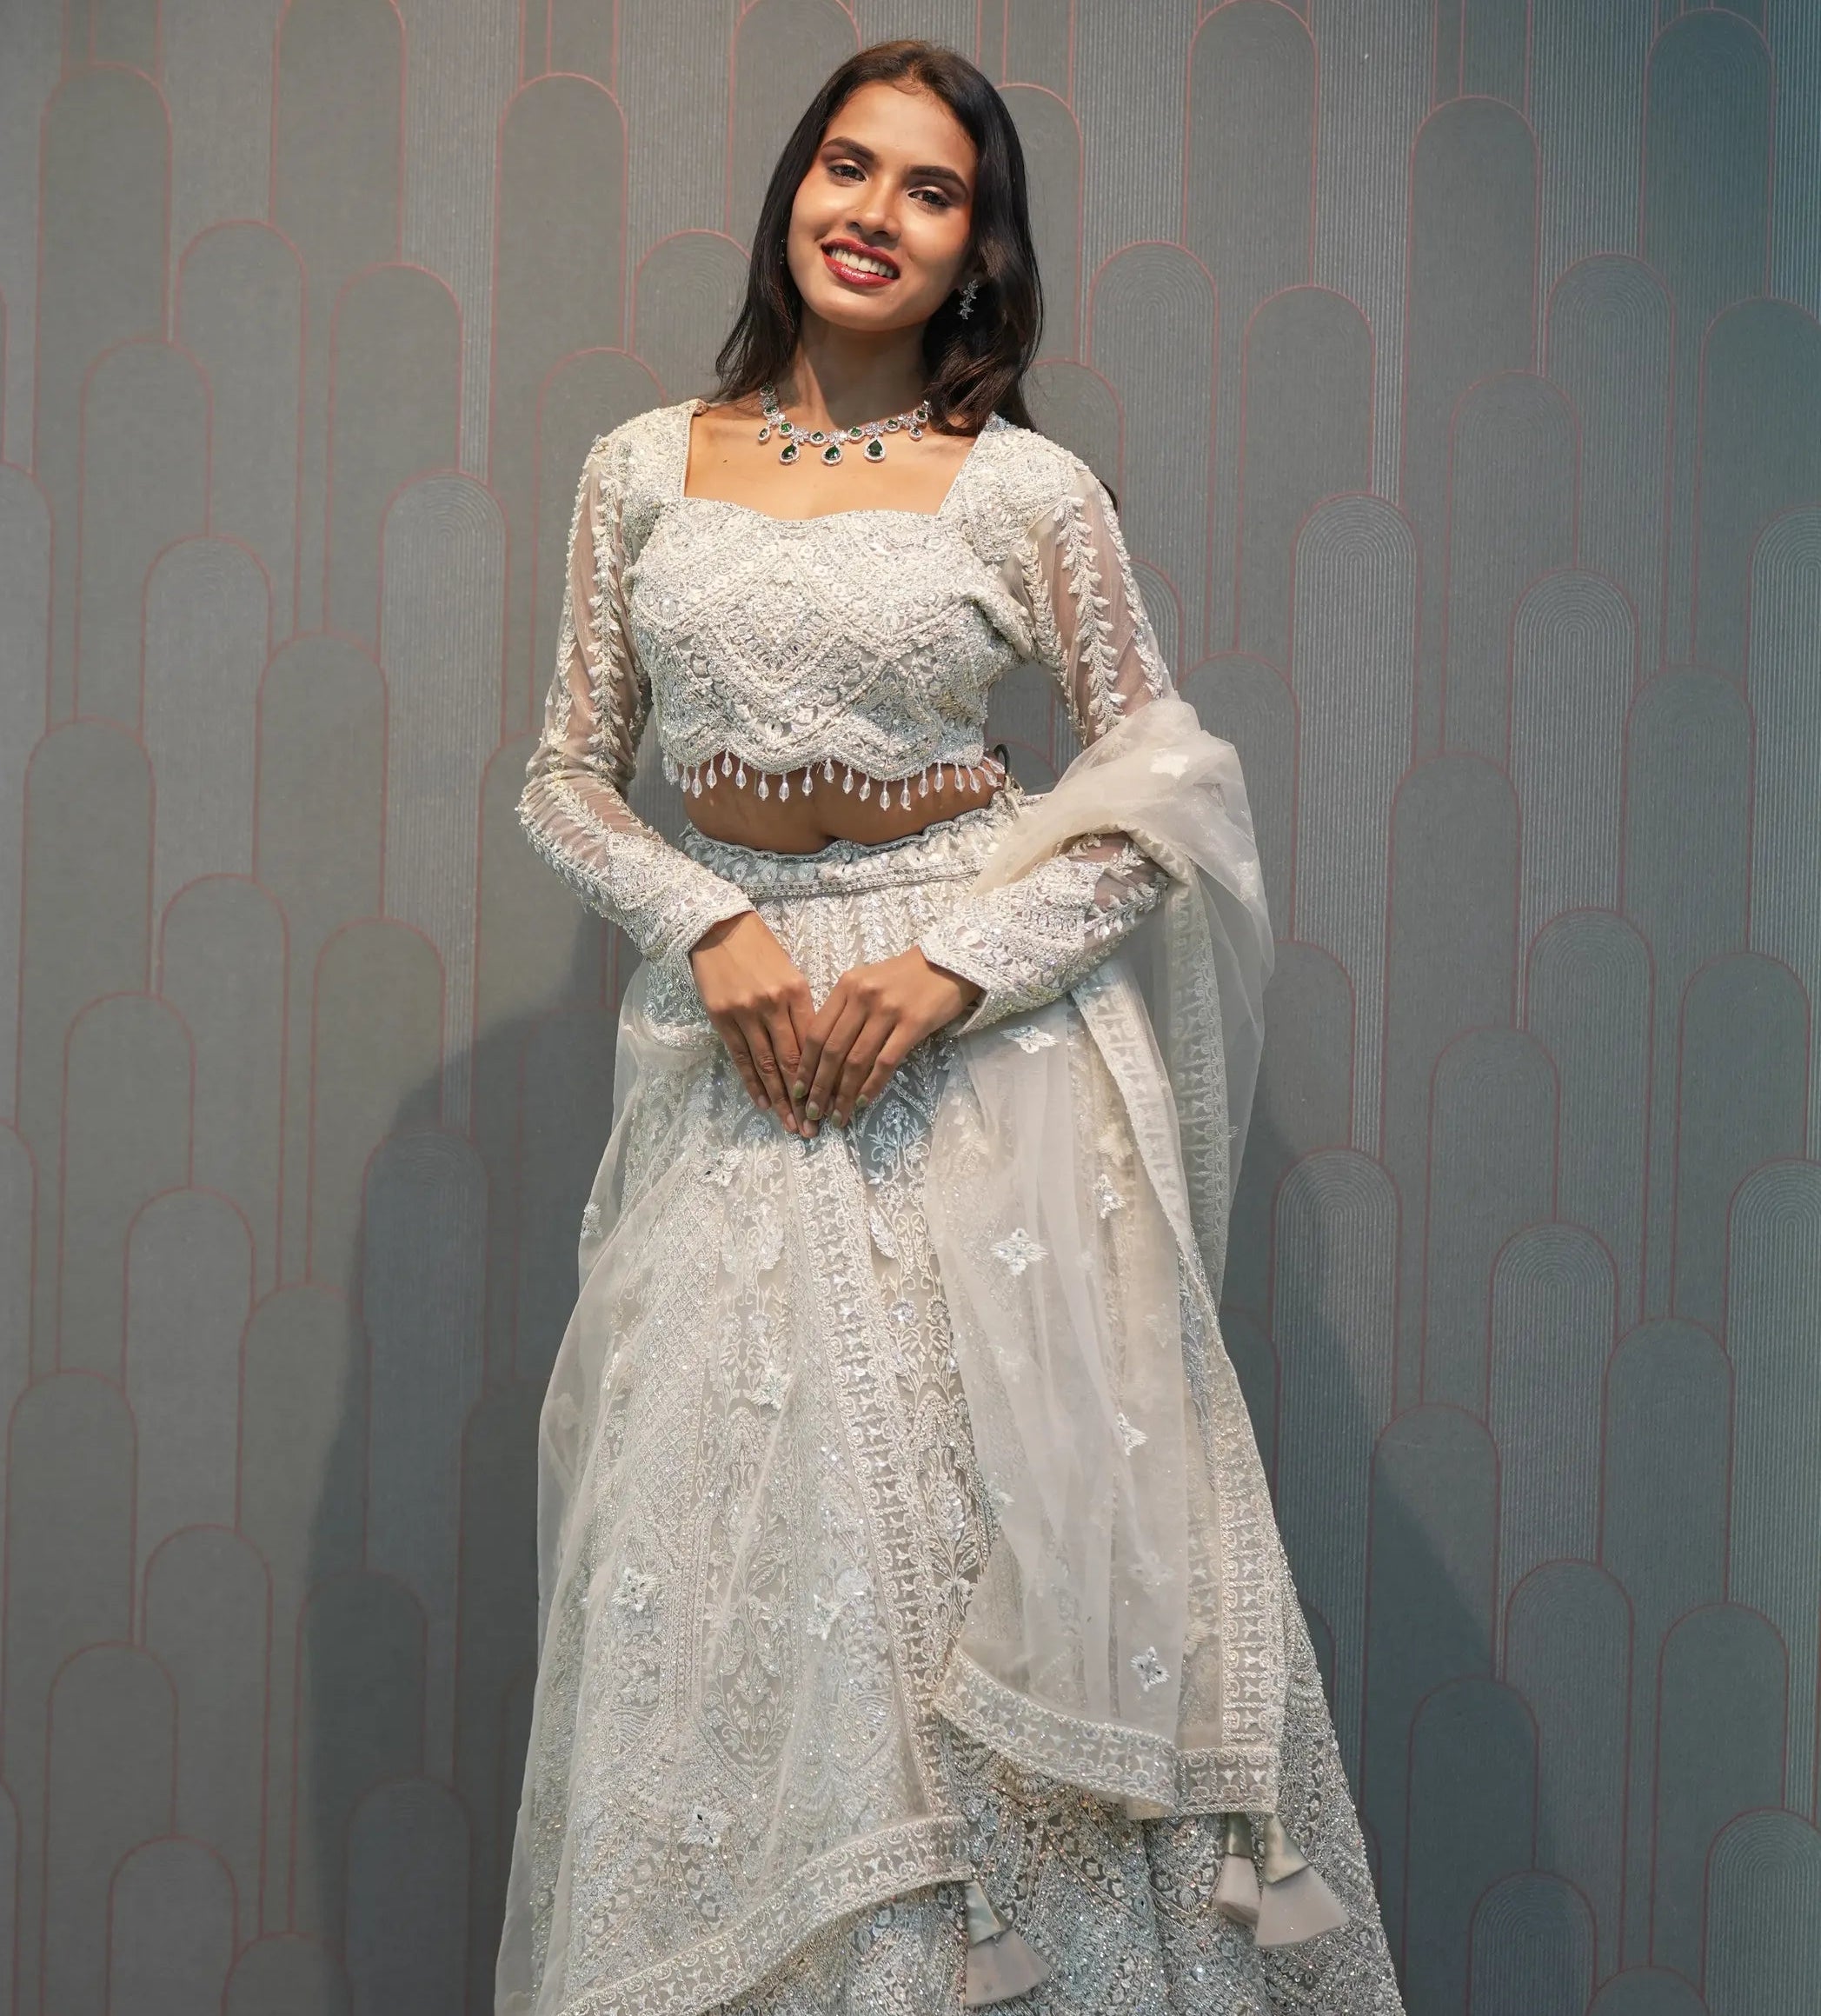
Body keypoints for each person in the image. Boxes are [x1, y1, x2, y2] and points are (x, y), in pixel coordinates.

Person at [497, 37, 1406, 2016]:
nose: (875, 213)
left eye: (931, 189)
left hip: (984, 1081)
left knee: (996, 1563)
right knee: (741, 1566)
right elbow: (565, 774)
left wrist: (954, 969)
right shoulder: (641, 469)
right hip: (742, 1062)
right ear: (792, 188)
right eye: (849, 165)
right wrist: (705, 917)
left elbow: (1160, 797)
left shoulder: (1026, 490)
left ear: (978, 248)